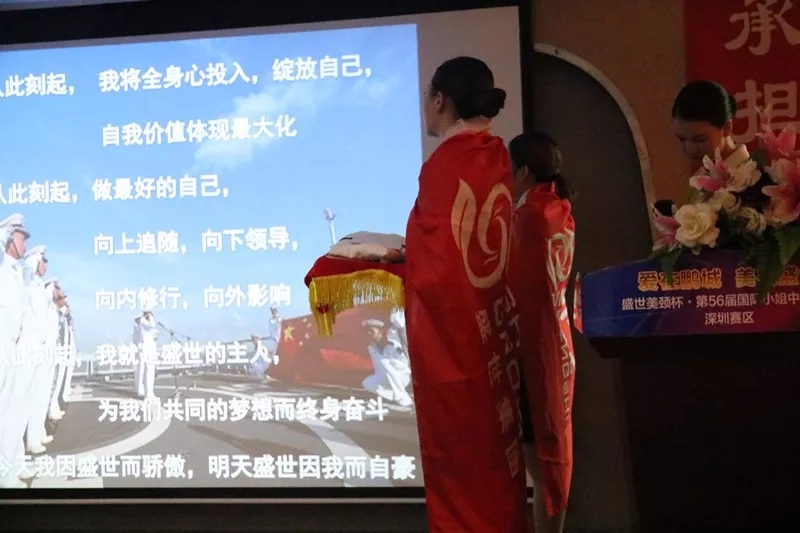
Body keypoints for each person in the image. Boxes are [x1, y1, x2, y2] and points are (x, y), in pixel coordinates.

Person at [404, 56, 527, 532]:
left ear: (440, 100)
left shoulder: (445, 164)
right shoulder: (494, 153)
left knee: (463, 476)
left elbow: (435, 270)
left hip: (455, 344)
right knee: (496, 465)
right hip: (490, 332)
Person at [509, 132, 577, 533]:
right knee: (550, 460)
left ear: (523, 173)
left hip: (533, 350)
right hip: (556, 343)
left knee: (541, 464)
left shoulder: (529, 218)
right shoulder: (556, 208)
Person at [0, 214, 30, 488]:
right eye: (21, 238)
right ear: (9, 239)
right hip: (2, 345)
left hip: (13, 346)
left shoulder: (16, 273)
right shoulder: (2, 272)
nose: (25, 244)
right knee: (4, 412)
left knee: (14, 409)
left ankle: (13, 466)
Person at [671, 80, 749, 170]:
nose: (690, 150)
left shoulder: (754, 175)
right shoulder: (704, 174)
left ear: (727, 128)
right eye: (682, 139)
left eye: (700, 140)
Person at [361, 318, 413, 408]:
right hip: (388, 377)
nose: (369, 333)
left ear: (380, 331)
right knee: (367, 383)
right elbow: (378, 368)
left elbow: (403, 361)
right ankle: (394, 396)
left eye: (372, 331)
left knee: (385, 363)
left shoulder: (394, 343)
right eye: (367, 331)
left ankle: (405, 400)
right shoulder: (371, 347)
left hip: (402, 376)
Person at [48, 287, 70, 421]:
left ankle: (54, 406)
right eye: (61, 298)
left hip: (60, 350)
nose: (64, 302)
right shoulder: (53, 312)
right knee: (51, 382)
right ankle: (51, 409)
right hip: (51, 351)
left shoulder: (60, 315)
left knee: (57, 380)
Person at [133, 301, 159, 400]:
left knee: (149, 370)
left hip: (148, 347)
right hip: (146, 349)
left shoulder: (142, 322)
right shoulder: (143, 321)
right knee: (148, 370)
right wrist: (149, 317)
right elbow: (152, 325)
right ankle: (148, 393)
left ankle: (148, 392)